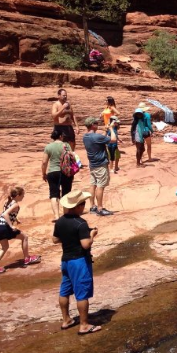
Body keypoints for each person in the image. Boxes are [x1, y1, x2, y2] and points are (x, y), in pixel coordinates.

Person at [54, 190, 101, 334]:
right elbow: (86, 245)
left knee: (65, 291)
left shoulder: (60, 221)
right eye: (83, 204)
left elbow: (55, 239)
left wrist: (69, 239)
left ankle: (66, 319)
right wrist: (92, 234)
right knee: (82, 294)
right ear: (78, 206)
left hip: (66, 261)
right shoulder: (81, 223)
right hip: (79, 261)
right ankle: (84, 325)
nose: (84, 207)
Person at [0, 187, 40, 274]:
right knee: (25, 237)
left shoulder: (7, 201)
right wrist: (11, 226)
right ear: (18, 195)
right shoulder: (16, 205)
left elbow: (7, 212)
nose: (24, 196)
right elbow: (5, 214)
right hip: (5, 227)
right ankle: (27, 258)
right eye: (23, 195)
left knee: (4, 247)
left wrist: (15, 219)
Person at [83, 117, 116, 215]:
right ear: (93, 125)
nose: (98, 125)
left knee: (93, 185)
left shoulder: (85, 137)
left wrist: (105, 131)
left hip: (93, 164)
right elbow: (113, 139)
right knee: (100, 186)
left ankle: (93, 206)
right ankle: (100, 208)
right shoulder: (97, 137)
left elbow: (100, 140)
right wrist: (111, 129)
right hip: (101, 164)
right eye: (96, 123)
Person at [42, 129, 74, 222]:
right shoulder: (66, 145)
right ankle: (66, 214)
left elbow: (44, 162)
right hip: (65, 171)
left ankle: (56, 216)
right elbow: (72, 156)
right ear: (60, 136)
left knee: (53, 194)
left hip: (52, 172)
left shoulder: (48, 147)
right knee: (66, 193)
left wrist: (44, 173)